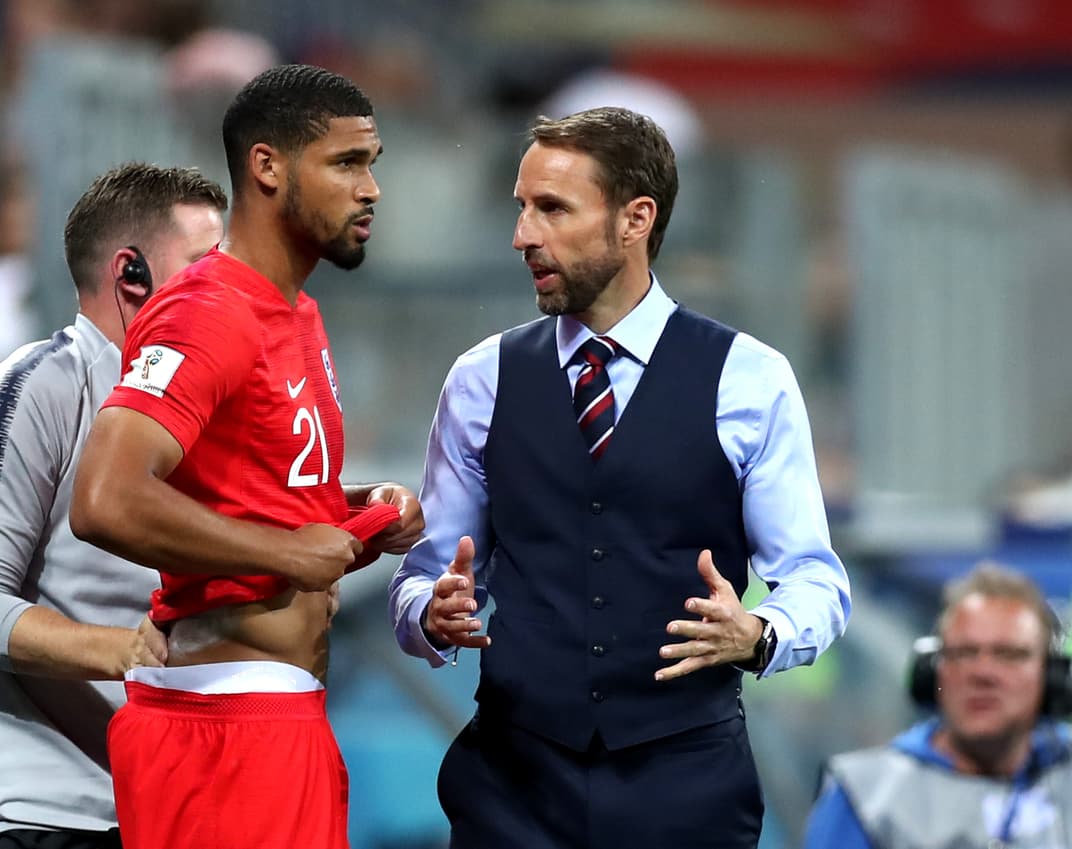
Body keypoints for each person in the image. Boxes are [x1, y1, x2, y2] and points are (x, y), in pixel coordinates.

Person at [387, 106, 852, 849]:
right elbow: (423, 579)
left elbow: (816, 579)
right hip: (512, 786)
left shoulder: (751, 379)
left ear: (636, 219)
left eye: (552, 209)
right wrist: (428, 614)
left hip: (687, 787)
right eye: (520, 208)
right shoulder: (480, 380)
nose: (522, 236)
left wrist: (761, 631)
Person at [69, 64, 424, 849]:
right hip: (220, 728)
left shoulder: (298, 314)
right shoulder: (206, 310)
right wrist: (288, 550)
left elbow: (268, 508)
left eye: (373, 164)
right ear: (266, 166)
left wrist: (361, 512)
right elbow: (104, 496)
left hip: (279, 714)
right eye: (346, 163)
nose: (370, 189)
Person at [0, 162, 227, 849]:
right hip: (47, 816)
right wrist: (129, 651)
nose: (227, 291)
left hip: (173, 810)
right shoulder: (30, 392)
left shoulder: (198, 403)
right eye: (203, 267)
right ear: (130, 275)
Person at [803, 563, 1072, 849]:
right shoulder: (865, 795)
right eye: (964, 653)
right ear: (932, 673)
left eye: (1008, 654)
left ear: (1051, 675)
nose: (982, 673)